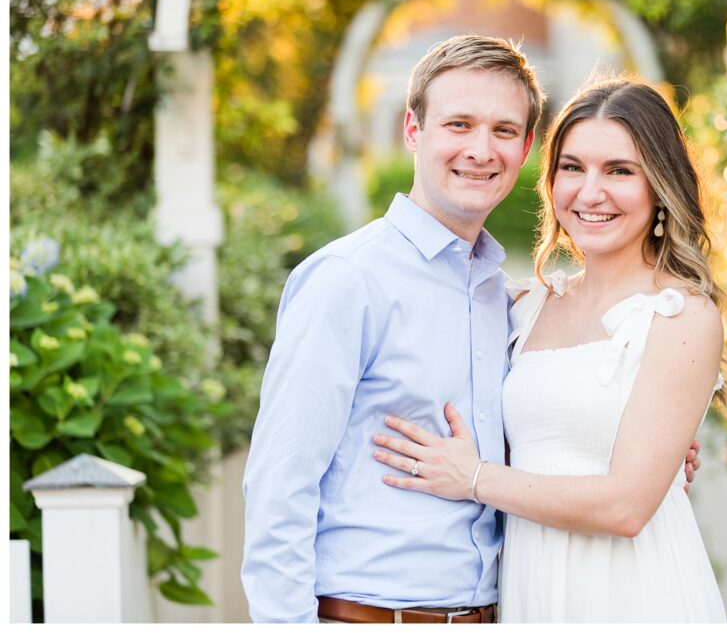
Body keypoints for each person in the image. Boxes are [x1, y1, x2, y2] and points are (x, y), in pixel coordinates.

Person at [241, 35, 702, 624]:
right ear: (413, 130)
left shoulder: (506, 299)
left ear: (527, 146)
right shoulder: (347, 281)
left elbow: (550, 425)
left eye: (504, 130)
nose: (481, 150)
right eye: (458, 124)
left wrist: (640, 442)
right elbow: (279, 486)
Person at [372, 77, 727, 622]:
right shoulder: (528, 306)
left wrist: (474, 478)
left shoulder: (681, 316)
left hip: (631, 589)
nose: (590, 192)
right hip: (532, 585)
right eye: (572, 167)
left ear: (660, 184)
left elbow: (627, 506)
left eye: (620, 171)